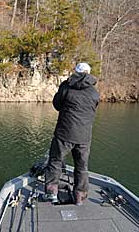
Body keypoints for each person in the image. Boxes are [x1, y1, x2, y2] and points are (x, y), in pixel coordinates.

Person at [45, 62, 100, 205]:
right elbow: (93, 110)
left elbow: (57, 104)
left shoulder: (66, 86)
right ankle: (80, 196)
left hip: (64, 133)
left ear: (75, 71)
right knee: (81, 167)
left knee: (55, 161)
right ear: (88, 73)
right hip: (84, 136)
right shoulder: (94, 92)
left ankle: (51, 192)